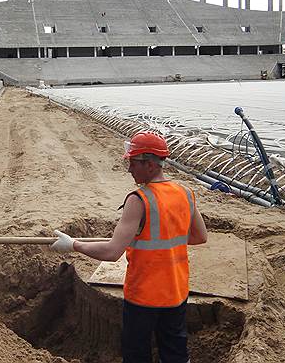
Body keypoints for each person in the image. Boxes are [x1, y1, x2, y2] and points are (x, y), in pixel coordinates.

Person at [51, 132, 208, 363]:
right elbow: (200, 236)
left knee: (136, 353)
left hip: (144, 295)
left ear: (151, 164)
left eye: (133, 163)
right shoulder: (185, 193)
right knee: (175, 351)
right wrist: (163, 239)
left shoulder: (138, 199)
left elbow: (113, 252)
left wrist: (74, 244)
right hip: (176, 290)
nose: (129, 169)